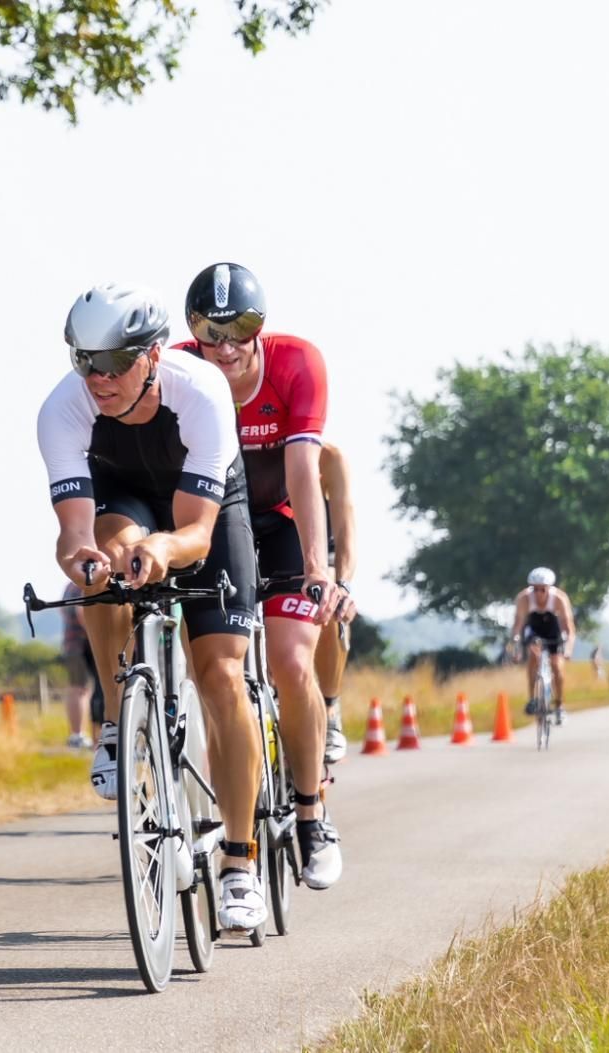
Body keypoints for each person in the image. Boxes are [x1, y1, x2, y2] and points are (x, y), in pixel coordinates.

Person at [37, 282, 266, 931]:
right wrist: (87, 557)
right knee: (102, 568)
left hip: (206, 508)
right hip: (124, 494)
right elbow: (74, 532)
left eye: (113, 363)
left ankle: (240, 862)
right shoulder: (62, 409)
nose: (98, 378)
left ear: (154, 354)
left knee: (221, 674)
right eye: (85, 362)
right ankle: (118, 719)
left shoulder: (202, 393)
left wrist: (163, 548)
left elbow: (196, 532)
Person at [180, 261, 343, 891]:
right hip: (219, 525)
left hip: (278, 522)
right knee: (219, 683)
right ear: (191, 332)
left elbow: (304, 470)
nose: (224, 348)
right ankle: (232, 825)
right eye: (208, 332)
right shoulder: (178, 370)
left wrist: (316, 567)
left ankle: (311, 813)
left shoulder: (298, 361)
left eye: (239, 330)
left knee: (290, 663)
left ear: (260, 329)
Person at [314, 441, 358, 764]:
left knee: (329, 601)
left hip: (320, 553)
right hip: (262, 545)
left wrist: (342, 583)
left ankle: (329, 705)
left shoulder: (328, 458)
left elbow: (345, 530)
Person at [511, 567, 577, 724]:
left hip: (553, 630)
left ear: (549, 588)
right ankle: (532, 699)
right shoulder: (524, 598)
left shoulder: (559, 598)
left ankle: (560, 705)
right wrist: (516, 644)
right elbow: (518, 625)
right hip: (534, 629)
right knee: (534, 655)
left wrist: (568, 649)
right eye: (535, 589)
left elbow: (569, 628)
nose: (539, 593)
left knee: (557, 667)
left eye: (543, 590)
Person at [60, 580, 105, 747]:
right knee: (86, 690)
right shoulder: (87, 582)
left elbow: (62, 612)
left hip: (71, 644)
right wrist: (96, 635)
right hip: (86, 643)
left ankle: (76, 735)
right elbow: (82, 612)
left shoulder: (69, 586)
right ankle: (91, 736)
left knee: (76, 689)